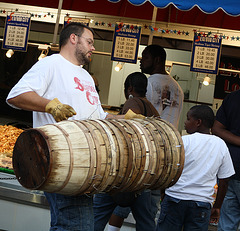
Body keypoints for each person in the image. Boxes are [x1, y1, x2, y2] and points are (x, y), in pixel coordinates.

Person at [6, 22, 138, 231]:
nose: (93, 47)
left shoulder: (85, 75)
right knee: (76, 226)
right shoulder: (51, 64)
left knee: (72, 225)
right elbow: (16, 95)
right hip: (61, 161)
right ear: (73, 39)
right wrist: (49, 105)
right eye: (89, 42)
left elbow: (98, 116)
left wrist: (121, 118)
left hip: (86, 164)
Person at [109, 44, 184, 230]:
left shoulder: (149, 84)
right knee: (147, 210)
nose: (142, 61)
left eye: (145, 57)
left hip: (145, 151)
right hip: (166, 153)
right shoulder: (178, 89)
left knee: (123, 199)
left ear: (157, 60)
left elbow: (137, 114)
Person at [93, 71, 160, 231]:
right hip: (143, 175)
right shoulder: (153, 110)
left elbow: (126, 137)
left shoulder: (132, 103)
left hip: (122, 174)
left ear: (129, 88)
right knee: (145, 222)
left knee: (96, 217)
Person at [155, 105, 235, 231]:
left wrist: (163, 193)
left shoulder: (182, 141)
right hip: (201, 204)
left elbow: (167, 170)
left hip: (174, 199)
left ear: (198, 122)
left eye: (188, 119)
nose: (185, 123)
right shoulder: (220, 145)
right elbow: (225, 180)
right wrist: (217, 206)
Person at [212, 89, 240, 231]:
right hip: (230, 170)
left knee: (227, 223)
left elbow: (217, 129)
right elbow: (216, 129)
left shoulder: (233, 97)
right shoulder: (233, 98)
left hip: (230, 168)